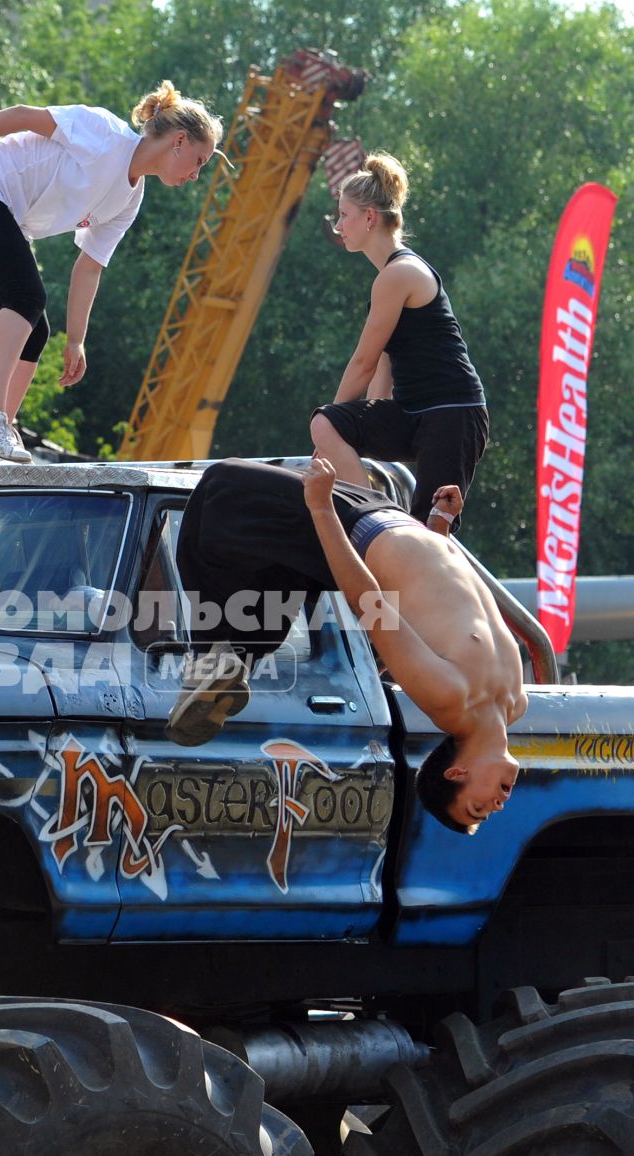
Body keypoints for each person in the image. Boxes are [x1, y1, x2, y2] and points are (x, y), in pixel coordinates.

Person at [167, 458, 525, 835]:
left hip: (358, 528)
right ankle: (236, 655)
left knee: (220, 489)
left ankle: (214, 658)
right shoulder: (516, 702)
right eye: (486, 811)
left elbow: (372, 606)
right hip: (386, 515)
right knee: (275, 565)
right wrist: (439, 526)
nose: (497, 806)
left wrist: (321, 508)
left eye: (478, 807)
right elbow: (442, 605)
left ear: (457, 773)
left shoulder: (450, 699)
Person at [0, 82, 223, 463]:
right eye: (199, 161)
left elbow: (90, 266)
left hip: (0, 211)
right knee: (25, 298)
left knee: (36, 329)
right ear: (179, 140)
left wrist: (76, 339)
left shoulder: (130, 199)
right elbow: (21, 115)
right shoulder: (103, 133)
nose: (196, 176)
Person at [309, 154, 488, 531]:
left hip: (451, 414)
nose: (338, 225)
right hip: (414, 413)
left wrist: (331, 437)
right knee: (327, 423)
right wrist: (343, 430)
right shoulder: (390, 276)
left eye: (344, 215)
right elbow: (385, 370)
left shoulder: (399, 274)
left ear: (370, 217)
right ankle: (381, 523)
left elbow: (364, 362)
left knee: (430, 537)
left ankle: (381, 526)